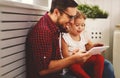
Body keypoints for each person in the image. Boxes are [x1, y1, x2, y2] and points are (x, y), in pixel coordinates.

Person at [25, 0, 115, 78]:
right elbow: (43, 70)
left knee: (107, 65)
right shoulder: (43, 31)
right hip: (54, 75)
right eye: (70, 17)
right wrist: (74, 59)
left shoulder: (56, 26)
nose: (72, 21)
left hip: (61, 70)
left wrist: (91, 48)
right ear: (56, 12)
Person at [61, 11, 105, 78]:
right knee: (73, 65)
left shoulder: (84, 34)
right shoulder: (65, 37)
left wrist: (95, 47)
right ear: (69, 25)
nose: (80, 27)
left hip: (84, 60)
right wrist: (73, 56)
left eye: (83, 25)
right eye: (77, 25)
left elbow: (90, 46)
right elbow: (65, 56)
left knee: (99, 57)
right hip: (73, 62)